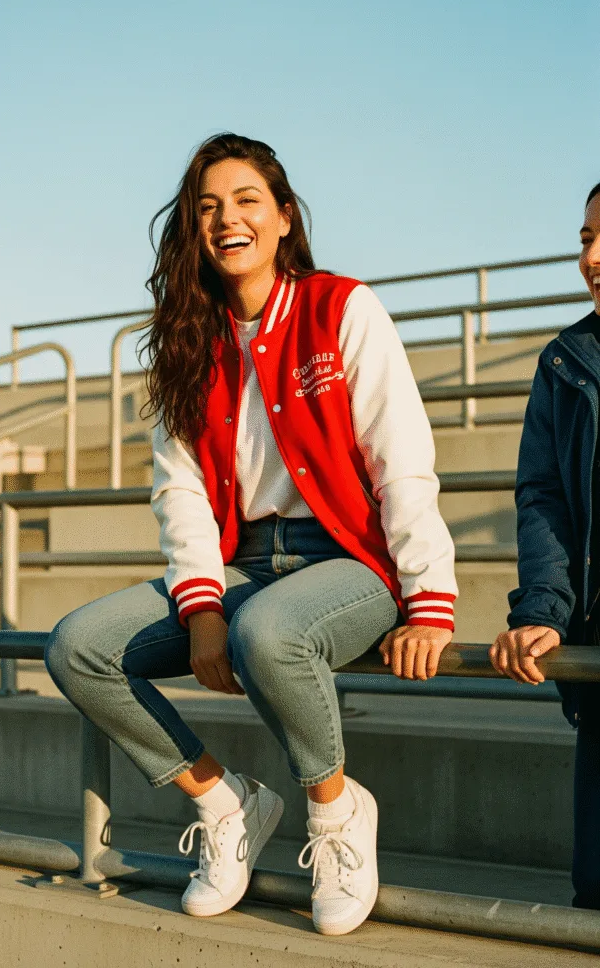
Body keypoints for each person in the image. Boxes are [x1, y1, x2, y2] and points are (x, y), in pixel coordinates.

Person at [45, 133, 458, 935]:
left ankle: (335, 812)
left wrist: (428, 599)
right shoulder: (185, 340)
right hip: (243, 566)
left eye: (245, 201)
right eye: (207, 207)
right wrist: (201, 606)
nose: (225, 220)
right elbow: (180, 490)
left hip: (349, 560)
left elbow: (400, 458)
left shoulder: (341, 308)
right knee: (78, 646)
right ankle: (226, 802)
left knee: (266, 633)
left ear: (283, 216)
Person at [490, 181, 600, 910]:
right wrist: (542, 609)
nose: (592, 257)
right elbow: (544, 499)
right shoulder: (565, 363)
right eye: (586, 239)